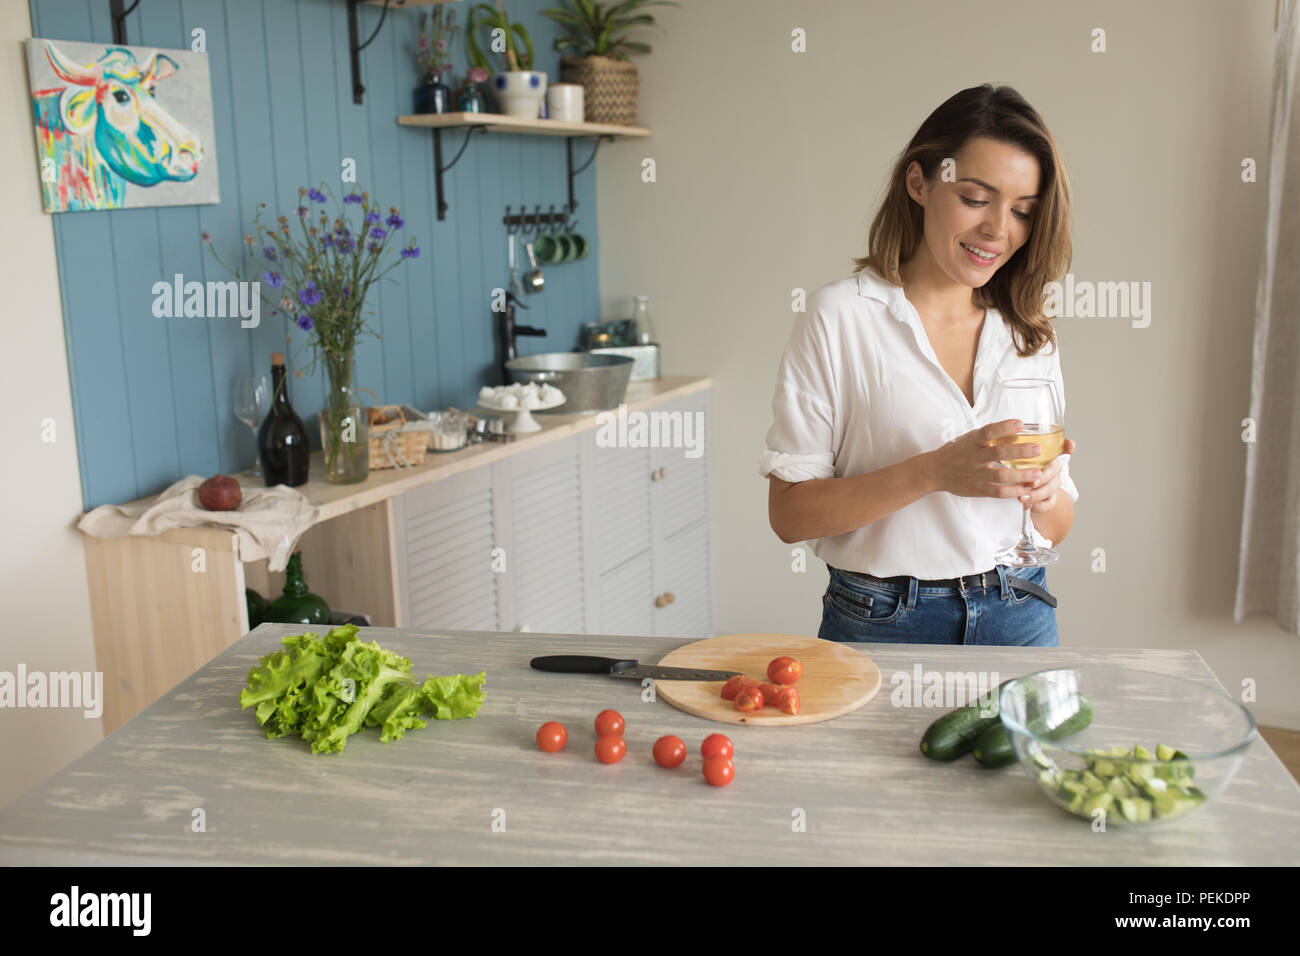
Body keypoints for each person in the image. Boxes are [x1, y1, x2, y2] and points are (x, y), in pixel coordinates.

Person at [758, 84, 1080, 646]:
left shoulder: (1030, 331)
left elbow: (1056, 527)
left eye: (1023, 211)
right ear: (919, 183)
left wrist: (1047, 494)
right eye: (977, 199)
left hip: (1020, 608)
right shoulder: (841, 316)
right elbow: (790, 516)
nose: (999, 230)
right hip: (882, 618)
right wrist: (933, 471)